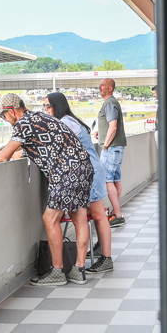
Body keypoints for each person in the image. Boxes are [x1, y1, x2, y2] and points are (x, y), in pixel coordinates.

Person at [0, 93, 95, 285]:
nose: (4, 119)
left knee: (50, 219)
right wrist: (0, 148)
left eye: (3, 115)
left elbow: (3, 158)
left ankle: (57, 272)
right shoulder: (38, 117)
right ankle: (79, 270)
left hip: (65, 172)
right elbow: (25, 143)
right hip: (83, 168)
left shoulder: (23, 123)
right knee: (79, 217)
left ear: (12, 112)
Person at [45, 91, 114, 273]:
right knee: (97, 215)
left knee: (98, 215)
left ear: (57, 105)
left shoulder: (66, 122)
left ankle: (106, 258)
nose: (46, 110)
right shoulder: (70, 120)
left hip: (89, 172)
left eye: (48, 106)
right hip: (91, 170)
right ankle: (103, 254)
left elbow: (51, 145)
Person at [92, 78, 127, 227]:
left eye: (103, 85)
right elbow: (110, 126)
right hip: (116, 147)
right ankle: (115, 212)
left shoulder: (110, 103)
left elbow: (113, 127)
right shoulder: (111, 102)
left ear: (110, 88)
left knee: (107, 180)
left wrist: (105, 145)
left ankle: (117, 214)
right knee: (116, 179)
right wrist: (101, 133)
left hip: (111, 148)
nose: (99, 87)